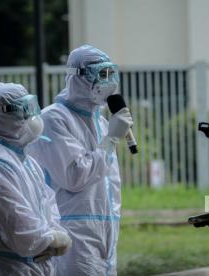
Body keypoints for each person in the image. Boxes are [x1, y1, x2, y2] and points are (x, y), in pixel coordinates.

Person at [28, 45, 132, 275]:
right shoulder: (54, 118)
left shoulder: (102, 122)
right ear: (77, 77)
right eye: (99, 74)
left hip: (107, 229)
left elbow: (108, 183)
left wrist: (110, 136)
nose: (107, 82)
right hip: (73, 230)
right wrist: (111, 139)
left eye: (110, 73)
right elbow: (74, 176)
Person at [0, 83, 72, 275]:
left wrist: (52, 233)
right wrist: (52, 239)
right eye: (24, 111)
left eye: (31, 108)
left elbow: (46, 205)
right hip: (2, 268)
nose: (32, 117)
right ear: (1, 117)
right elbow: (21, 230)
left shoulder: (25, 161)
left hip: (31, 265)